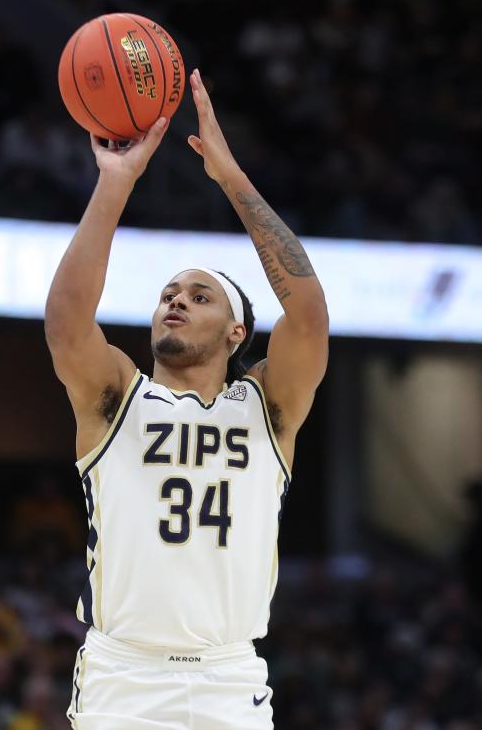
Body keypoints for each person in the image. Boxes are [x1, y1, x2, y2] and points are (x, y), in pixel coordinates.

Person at [45, 68, 329, 729]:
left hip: (229, 675)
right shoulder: (117, 397)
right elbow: (65, 323)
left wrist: (230, 177)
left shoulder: (266, 406)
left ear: (236, 332)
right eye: (169, 292)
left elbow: (308, 315)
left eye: (199, 296)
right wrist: (114, 185)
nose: (175, 299)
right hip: (123, 675)